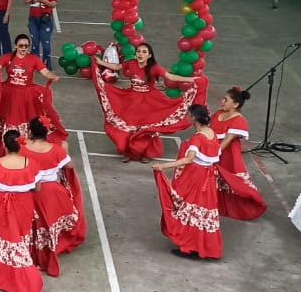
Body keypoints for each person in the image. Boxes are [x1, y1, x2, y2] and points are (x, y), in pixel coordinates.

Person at [94, 41, 205, 162]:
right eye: (138, 51)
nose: (140, 54)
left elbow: (171, 77)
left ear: (149, 55)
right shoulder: (131, 63)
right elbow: (117, 67)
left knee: (147, 128)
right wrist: (100, 62)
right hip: (132, 99)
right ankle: (128, 152)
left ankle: (147, 153)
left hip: (150, 101)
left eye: (144, 52)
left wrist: (191, 79)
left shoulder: (154, 67)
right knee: (129, 124)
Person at [152, 104, 223, 260]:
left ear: (194, 118)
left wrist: (163, 165)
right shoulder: (211, 133)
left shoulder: (197, 138)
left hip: (196, 178)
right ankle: (201, 246)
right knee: (202, 211)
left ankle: (189, 246)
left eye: (188, 115)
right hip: (208, 179)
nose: (186, 117)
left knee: (186, 208)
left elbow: (189, 159)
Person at [0, 131, 45, 292]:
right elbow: (37, 188)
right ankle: (20, 279)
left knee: (2, 238)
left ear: (4, 145)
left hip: (1, 207)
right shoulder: (31, 164)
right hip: (23, 206)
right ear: (20, 145)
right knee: (19, 239)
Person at [0, 33, 65, 153]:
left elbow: (45, 72)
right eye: (21, 45)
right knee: (9, 117)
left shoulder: (34, 59)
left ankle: (24, 142)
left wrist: (52, 76)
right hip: (10, 93)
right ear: (15, 46)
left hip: (27, 94)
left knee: (28, 117)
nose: (24, 48)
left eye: (26, 46)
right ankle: (9, 143)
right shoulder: (7, 57)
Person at [20, 118, 85, 273]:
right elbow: (69, 165)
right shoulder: (55, 149)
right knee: (49, 223)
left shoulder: (21, 147)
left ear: (30, 131)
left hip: (28, 191)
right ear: (46, 132)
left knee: (32, 223)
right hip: (51, 193)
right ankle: (50, 248)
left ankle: (30, 249)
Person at [209, 88, 266, 221]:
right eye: (223, 99)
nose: (222, 102)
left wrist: (211, 155)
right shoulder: (218, 113)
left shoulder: (238, 120)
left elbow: (227, 141)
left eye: (226, 100)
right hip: (214, 151)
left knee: (234, 180)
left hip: (228, 155)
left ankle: (250, 204)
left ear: (235, 104)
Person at [24, 0, 58, 64]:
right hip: (33, 19)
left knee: (45, 43)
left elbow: (53, 4)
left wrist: (44, 0)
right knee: (35, 42)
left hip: (45, 20)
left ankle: (46, 62)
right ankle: (35, 62)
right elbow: (25, 0)